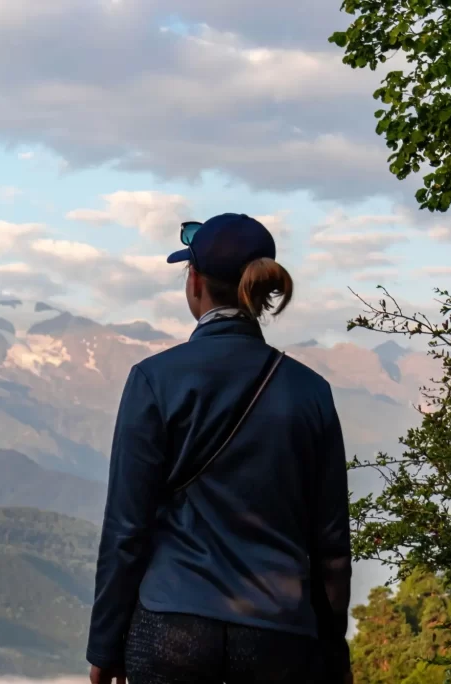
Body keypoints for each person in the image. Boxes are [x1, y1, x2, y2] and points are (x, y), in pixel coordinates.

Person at [86, 213, 353, 684]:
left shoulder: (154, 380)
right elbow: (331, 545)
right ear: (263, 289)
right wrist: (330, 648)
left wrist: (105, 646)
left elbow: (127, 529)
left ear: (195, 281)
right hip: (280, 634)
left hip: (171, 625)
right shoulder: (311, 391)